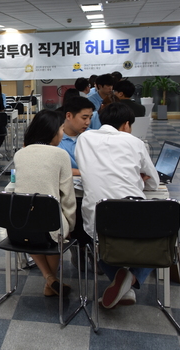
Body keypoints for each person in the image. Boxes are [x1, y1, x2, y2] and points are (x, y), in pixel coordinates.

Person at [75, 102, 160, 309]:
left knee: (97, 244)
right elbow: (154, 183)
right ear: (126, 124)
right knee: (159, 241)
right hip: (132, 214)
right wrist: (139, 179)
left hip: (98, 219)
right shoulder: (134, 142)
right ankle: (132, 278)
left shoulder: (84, 139)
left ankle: (122, 283)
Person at [13, 109, 75, 297]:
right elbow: (68, 197)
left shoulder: (20, 154)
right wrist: (70, 224)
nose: (62, 133)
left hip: (19, 226)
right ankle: (51, 280)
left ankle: (49, 279)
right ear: (52, 131)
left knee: (34, 230)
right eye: (61, 129)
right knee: (55, 228)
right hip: (51, 226)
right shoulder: (60, 154)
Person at [58, 96, 95, 176]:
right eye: (84, 118)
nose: (88, 122)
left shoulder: (92, 137)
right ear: (69, 116)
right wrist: (82, 172)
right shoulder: (54, 138)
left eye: (90, 118)